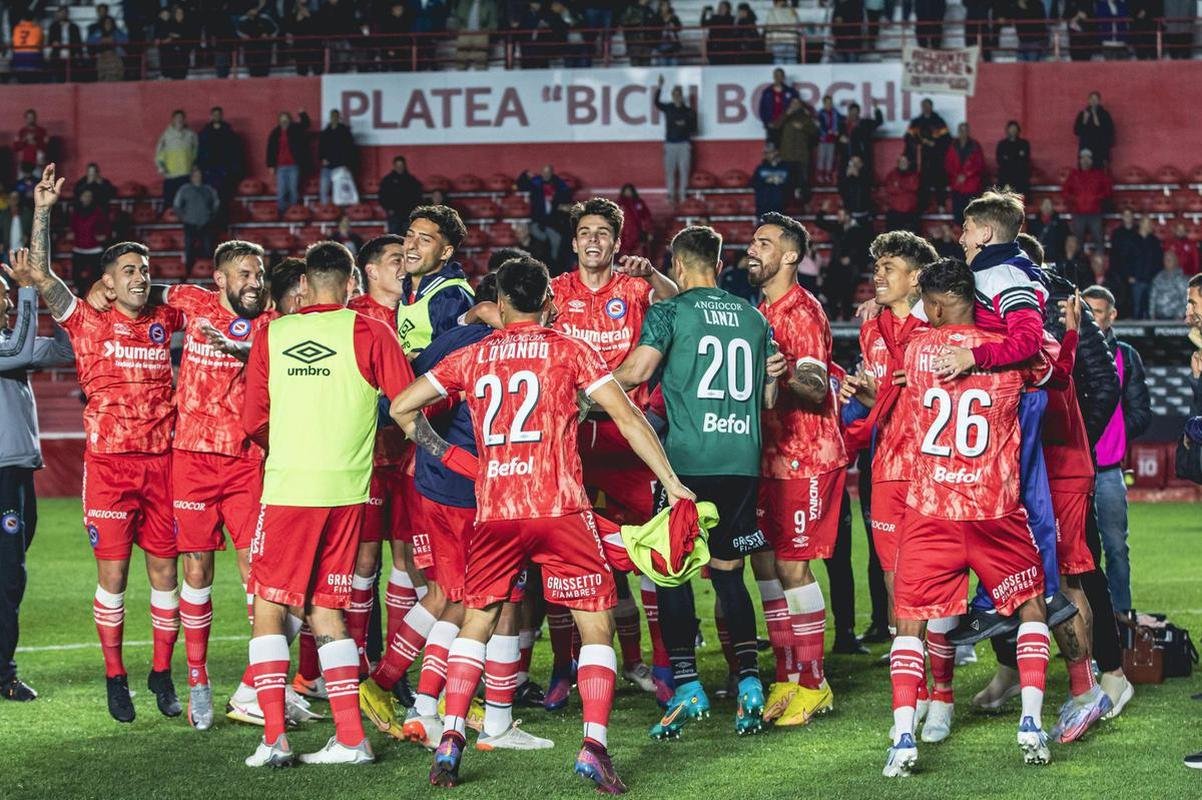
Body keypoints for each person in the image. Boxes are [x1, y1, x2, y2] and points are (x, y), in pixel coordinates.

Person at [391, 256, 693, 792]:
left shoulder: (474, 353)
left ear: (501, 304)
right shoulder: (571, 349)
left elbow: (401, 408)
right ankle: (593, 747)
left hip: (496, 508)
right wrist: (672, 483)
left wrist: (458, 460)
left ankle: (452, 737)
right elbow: (627, 416)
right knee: (593, 623)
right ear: (550, 303)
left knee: (477, 619)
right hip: (559, 506)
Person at [239, 240, 415, 767]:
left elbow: (253, 421)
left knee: (269, 609)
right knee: (325, 610)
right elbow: (405, 402)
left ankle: (274, 739)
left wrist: (296, 444)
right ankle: (350, 739)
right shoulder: (369, 330)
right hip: (348, 492)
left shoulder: (273, 332)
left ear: (303, 286)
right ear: (351, 285)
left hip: (292, 489)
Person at [23, 165, 184, 724]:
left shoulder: (169, 316)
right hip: (111, 470)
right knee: (113, 577)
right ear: (107, 283)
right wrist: (44, 208)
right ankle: (115, 676)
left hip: (164, 467)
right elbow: (41, 276)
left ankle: (161, 673)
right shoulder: (87, 322)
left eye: (145, 268)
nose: (141, 277)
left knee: (166, 575)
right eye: (129, 270)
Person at [614, 225, 786, 739]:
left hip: (687, 461)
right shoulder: (753, 317)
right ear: (718, 263)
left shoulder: (669, 311)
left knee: (674, 571)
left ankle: (688, 683)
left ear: (678, 264)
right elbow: (770, 399)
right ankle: (751, 681)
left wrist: (587, 388)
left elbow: (636, 371)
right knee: (731, 572)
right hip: (741, 459)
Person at [883, 257, 1053, 777]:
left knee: (909, 620)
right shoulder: (1006, 354)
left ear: (934, 305)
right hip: (994, 509)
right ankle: (1031, 722)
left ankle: (905, 737)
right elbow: (1049, 367)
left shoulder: (915, 350)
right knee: (1030, 607)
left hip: (932, 509)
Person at [389, 273, 555, 752]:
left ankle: (423, 708)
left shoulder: (459, 342)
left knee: (458, 599)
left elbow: (398, 405)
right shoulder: (529, 350)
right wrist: (465, 462)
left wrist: (443, 455)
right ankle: (498, 722)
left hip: (436, 488)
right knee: (498, 604)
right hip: (485, 496)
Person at [536, 198, 677, 707]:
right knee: (565, 558)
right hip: (569, 442)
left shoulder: (637, 288)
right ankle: (562, 667)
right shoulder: (554, 292)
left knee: (650, 554)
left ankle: (659, 665)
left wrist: (655, 273)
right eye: (586, 232)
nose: (594, 241)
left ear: (617, 244)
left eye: (604, 234)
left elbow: (677, 300)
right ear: (574, 242)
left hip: (627, 438)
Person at [840, 232, 949, 734]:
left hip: (932, 467)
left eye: (889, 267)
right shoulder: (871, 329)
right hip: (885, 468)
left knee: (936, 580)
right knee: (893, 578)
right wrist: (864, 395)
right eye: (876, 266)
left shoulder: (940, 326)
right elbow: (876, 400)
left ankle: (942, 694)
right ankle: (919, 691)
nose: (878, 275)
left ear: (916, 279)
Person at [745, 213, 850, 725]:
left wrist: (785, 375)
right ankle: (786, 677)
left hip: (806, 458)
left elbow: (814, 390)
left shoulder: (802, 312)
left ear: (789, 256)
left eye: (764, 243)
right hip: (768, 458)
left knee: (792, 567)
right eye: (752, 241)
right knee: (765, 566)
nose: (752, 249)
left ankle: (815, 683)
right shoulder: (761, 309)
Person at [0, 249, 75, 702]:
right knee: (9, 576)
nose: (9, 303)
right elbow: (16, 350)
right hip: (1, 476)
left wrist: (52, 295)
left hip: (19, 474)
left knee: (11, 575)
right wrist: (30, 288)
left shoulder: (12, 342)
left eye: (11, 296)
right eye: (3, 296)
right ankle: (4, 674)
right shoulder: (9, 346)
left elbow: (67, 349)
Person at [1082, 285, 1149, 615]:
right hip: (1074, 470)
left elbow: (1141, 413)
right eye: (1086, 311)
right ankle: (1080, 627)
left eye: (1096, 311)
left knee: (1116, 548)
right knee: (1075, 552)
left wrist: (1114, 434)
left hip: (1108, 471)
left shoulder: (1127, 356)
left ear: (1112, 316)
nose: (1090, 317)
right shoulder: (1073, 349)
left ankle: (1121, 618)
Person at [396, 205, 475, 356]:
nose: (412, 245)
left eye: (424, 240)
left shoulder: (451, 295)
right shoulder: (407, 289)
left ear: (445, 252)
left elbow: (455, 361)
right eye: (409, 235)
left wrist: (417, 360)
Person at [516, 166, 573, 268]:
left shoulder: (558, 184)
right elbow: (521, 185)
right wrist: (525, 174)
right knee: (538, 242)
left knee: (556, 240)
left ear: (552, 173)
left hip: (553, 223)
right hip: (537, 221)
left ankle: (554, 267)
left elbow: (566, 198)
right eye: (544, 173)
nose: (546, 175)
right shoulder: (536, 182)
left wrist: (563, 206)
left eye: (548, 173)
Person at [654, 75, 697, 206]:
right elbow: (656, 103)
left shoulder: (688, 111)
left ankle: (683, 195)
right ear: (672, 96)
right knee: (670, 171)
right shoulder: (669, 108)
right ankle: (671, 195)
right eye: (674, 94)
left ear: (681, 96)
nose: (676, 96)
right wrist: (660, 87)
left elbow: (694, 128)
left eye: (678, 94)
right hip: (670, 143)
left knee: (684, 170)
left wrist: (682, 124)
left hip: (684, 143)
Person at [904, 99, 951, 212]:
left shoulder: (939, 122)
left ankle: (941, 204)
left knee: (939, 181)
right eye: (923, 105)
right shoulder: (916, 122)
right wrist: (917, 145)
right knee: (922, 182)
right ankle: (923, 206)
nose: (925, 107)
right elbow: (908, 138)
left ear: (931, 106)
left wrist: (935, 144)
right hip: (921, 157)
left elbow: (947, 139)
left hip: (936, 157)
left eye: (927, 105)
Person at [1062, 149, 1112, 249]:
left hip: (1095, 213)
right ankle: (1078, 264)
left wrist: (1097, 198)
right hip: (1078, 213)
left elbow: (1108, 191)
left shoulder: (1099, 175)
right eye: (1083, 158)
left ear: (1091, 160)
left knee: (1099, 240)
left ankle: (1099, 263)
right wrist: (1075, 199)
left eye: (1088, 158)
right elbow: (1065, 192)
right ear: (1079, 160)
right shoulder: (1074, 175)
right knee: (1077, 242)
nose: (1085, 160)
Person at [197, 107, 243, 214]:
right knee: (208, 199)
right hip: (209, 172)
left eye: (218, 114)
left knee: (224, 200)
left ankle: (223, 226)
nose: (216, 116)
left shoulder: (230, 134)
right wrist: (201, 168)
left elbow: (236, 153)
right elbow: (200, 152)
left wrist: (235, 171)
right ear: (211, 116)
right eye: (214, 114)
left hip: (225, 172)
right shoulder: (204, 134)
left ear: (222, 116)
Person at [173, 168, 220, 272]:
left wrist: (211, 216)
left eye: (200, 175)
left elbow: (216, 204)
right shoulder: (184, 189)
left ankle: (208, 272)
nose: (198, 177)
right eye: (195, 175)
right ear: (191, 177)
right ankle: (188, 271)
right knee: (189, 247)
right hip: (190, 223)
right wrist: (184, 217)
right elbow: (177, 205)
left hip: (206, 223)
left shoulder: (209, 189)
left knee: (208, 247)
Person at [266, 111, 312, 217]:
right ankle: (282, 213)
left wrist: (302, 114)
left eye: (286, 119)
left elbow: (306, 124)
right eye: (282, 119)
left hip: (294, 165)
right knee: (281, 191)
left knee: (293, 189)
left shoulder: (295, 130)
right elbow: (270, 150)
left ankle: (293, 213)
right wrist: (270, 165)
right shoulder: (275, 133)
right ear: (279, 121)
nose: (284, 121)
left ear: (290, 120)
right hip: (280, 166)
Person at [69, 189, 112, 290]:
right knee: (77, 278)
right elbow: (72, 228)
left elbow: (106, 227)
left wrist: (103, 235)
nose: (86, 198)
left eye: (89, 196)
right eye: (84, 196)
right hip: (79, 248)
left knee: (97, 277)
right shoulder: (75, 212)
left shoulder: (98, 212)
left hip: (95, 249)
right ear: (80, 198)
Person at [778, 99, 817, 204]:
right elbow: (775, 126)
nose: (795, 105)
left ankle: (805, 204)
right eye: (793, 103)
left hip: (802, 156)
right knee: (787, 182)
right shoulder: (784, 117)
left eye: (797, 104)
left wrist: (803, 127)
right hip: (787, 156)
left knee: (803, 182)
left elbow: (815, 131)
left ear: (801, 106)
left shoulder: (805, 118)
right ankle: (786, 205)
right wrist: (786, 114)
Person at [944, 123, 985, 224]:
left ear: (968, 131)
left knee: (971, 216)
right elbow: (948, 164)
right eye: (961, 130)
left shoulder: (975, 146)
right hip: (957, 185)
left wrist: (966, 175)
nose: (963, 133)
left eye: (965, 130)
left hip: (971, 185)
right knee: (958, 215)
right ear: (958, 132)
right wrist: (957, 175)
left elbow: (979, 164)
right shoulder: (953, 146)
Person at [155, 110, 197, 205]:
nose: (179, 120)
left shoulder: (191, 135)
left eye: (181, 118)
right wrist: (162, 169)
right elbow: (159, 154)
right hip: (171, 176)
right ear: (173, 120)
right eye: (177, 118)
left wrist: (193, 167)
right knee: (170, 204)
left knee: (186, 204)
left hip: (186, 175)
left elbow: (195, 152)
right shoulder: (166, 136)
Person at [319, 110, 358, 207]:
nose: (334, 118)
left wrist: (348, 164)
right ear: (330, 117)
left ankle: (342, 214)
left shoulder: (344, 132)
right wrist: (322, 158)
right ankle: (326, 212)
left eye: (336, 116)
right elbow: (320, 148)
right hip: (327, 166)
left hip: (341, 166)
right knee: (324, 191)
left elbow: (350, 149)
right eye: (332, 116)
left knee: (342, 191)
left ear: (339, 117)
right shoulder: (325, 132)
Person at [378, 156, 424, 235]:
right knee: (394, 238)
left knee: (408, 237)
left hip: (408, 214)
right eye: (398, 165)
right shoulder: (387, 180)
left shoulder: (411, 180)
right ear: (394, 166)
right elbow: (382, 196)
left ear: (405, 166)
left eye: (401, 165)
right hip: (394, 215)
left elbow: (418, 196)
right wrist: (389, 209)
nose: (400, 168)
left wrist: (413, 210)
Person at [838, 101, 884, 177]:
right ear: (848, 112)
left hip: (862, 156)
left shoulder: (865, 123)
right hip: (847, 156)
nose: (854, 113)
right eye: (852, 111)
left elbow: (879, 121)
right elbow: (837, 138)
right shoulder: (842, 124)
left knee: (863, 177)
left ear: (859, 113)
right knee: (846, 177)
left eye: (856, 111)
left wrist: (876, 109)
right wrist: (840, 139)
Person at [450, 0, 499, 70]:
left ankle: (480, 74)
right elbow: (457, 15)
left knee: (480, 55)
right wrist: (456, 27)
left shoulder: (489, 3)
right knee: (461, 54)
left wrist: (491, 28)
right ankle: (460, 73)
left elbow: (493, 17)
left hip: (481, 31)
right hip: (465, 31)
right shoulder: (463, 2)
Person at [758, 68, 800, 145]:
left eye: (780, 76)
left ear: (783, 77)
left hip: (786, 125)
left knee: (786, 149)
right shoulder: (767, 92)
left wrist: (793, 121)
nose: (778, 78)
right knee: (772, 150)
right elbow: (762, 109)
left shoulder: (791, 92)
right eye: (776, 76)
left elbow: (797, 108)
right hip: (772, 125)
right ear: (773, 77)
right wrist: (766, 123)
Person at [1073, 92, 1115, 167]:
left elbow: (1110, 131)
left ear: (1099, 101)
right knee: (1085, 172)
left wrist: (1098, 122)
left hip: (1100, 147)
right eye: (1091, 99)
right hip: (1085, 147)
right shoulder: (1082, 114)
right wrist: (1084, 121)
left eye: (1096, 99)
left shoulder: (1105, 114)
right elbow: (1076, 131)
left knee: (1099, 170)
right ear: (1088, 100)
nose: (1093, 101)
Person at [883, 155, 920, 234]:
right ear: (898, 163)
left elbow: (914, 187)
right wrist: (906, 187)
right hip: (895, 212)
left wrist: (899, 185)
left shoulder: (914, 174)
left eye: (905, 161)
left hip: (910, 212)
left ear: (908, 163)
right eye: (901, 161)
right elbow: (889, 189)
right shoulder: (891, 175)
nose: (903, 163)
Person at [751, 144, 791, 219]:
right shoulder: (761, 168)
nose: (766, 155)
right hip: (764, 207)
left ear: (776, 152)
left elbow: (790, 184)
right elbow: (754, 183)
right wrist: (767, 181)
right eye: (765, 153)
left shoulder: (786, 168)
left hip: (781, 206)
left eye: (768, 152)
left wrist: (779, 182)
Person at [1028, 197, 1069, 266]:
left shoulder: (1060, 221)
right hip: (1038, 256)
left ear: (1052, 207)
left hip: (1056, 257)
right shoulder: (1033, 222)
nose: (1046, 206)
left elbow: (1065, 238)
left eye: (1049, 204)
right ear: (1040, 206)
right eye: (1044, 204)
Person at [47, 6, 83, 82]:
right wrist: (54, 42)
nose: (63, 15)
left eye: (65, 13)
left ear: (68, 14)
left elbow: (78, 42)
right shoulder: (53, 27)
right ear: (58, 14)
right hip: (58, 55)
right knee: (58, 77)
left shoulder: (74, 27)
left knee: (72, 78)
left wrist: (79, 55)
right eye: (61, 13)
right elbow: (49, 41)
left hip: (71, 54)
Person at [995, 121, 1031, 197]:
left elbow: (1025, 160)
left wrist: (1008, 158)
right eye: (1011, 129)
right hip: (1005, 176)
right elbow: (999, 160)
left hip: (1020, 176)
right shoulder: (1002, 144)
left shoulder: (1024, 144)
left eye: (1015, 129)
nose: (1013, 131)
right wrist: (1016, 157)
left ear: (1018, 130)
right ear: (1007, 130)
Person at [617, 185, 653, 257]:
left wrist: (649, 231)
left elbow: (647, 217)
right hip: (624, 234)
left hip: (638, 233)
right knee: (624, 256)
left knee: (639, 255)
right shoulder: (619, 204)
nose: (628, 193)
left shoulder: (639, 202)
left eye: (629, 191)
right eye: (626, 191)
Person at [1150, 250, 1187, 319]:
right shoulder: (1158, 278)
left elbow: (1185, 299)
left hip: (1174, 318)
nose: (1167, 261)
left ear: (1176, 262)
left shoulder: (1181, 278)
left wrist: (1180, 315)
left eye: (1170, 259)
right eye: (1165, 259)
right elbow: (1153, 297)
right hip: (1159, 317)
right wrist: (1152, 314)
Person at [815, 96, 843, 186]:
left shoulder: (835, 112)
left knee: (830, 158)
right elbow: (820, 125)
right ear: (824, 103)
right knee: (822, 157)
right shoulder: (820, 113)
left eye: (830, 102)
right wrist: (828, 131)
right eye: (827, 102)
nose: (829, 104)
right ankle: (820, 175)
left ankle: (827, 175)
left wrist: (838, 130)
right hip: (823, 139)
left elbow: (841, 120)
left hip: (832, 139)